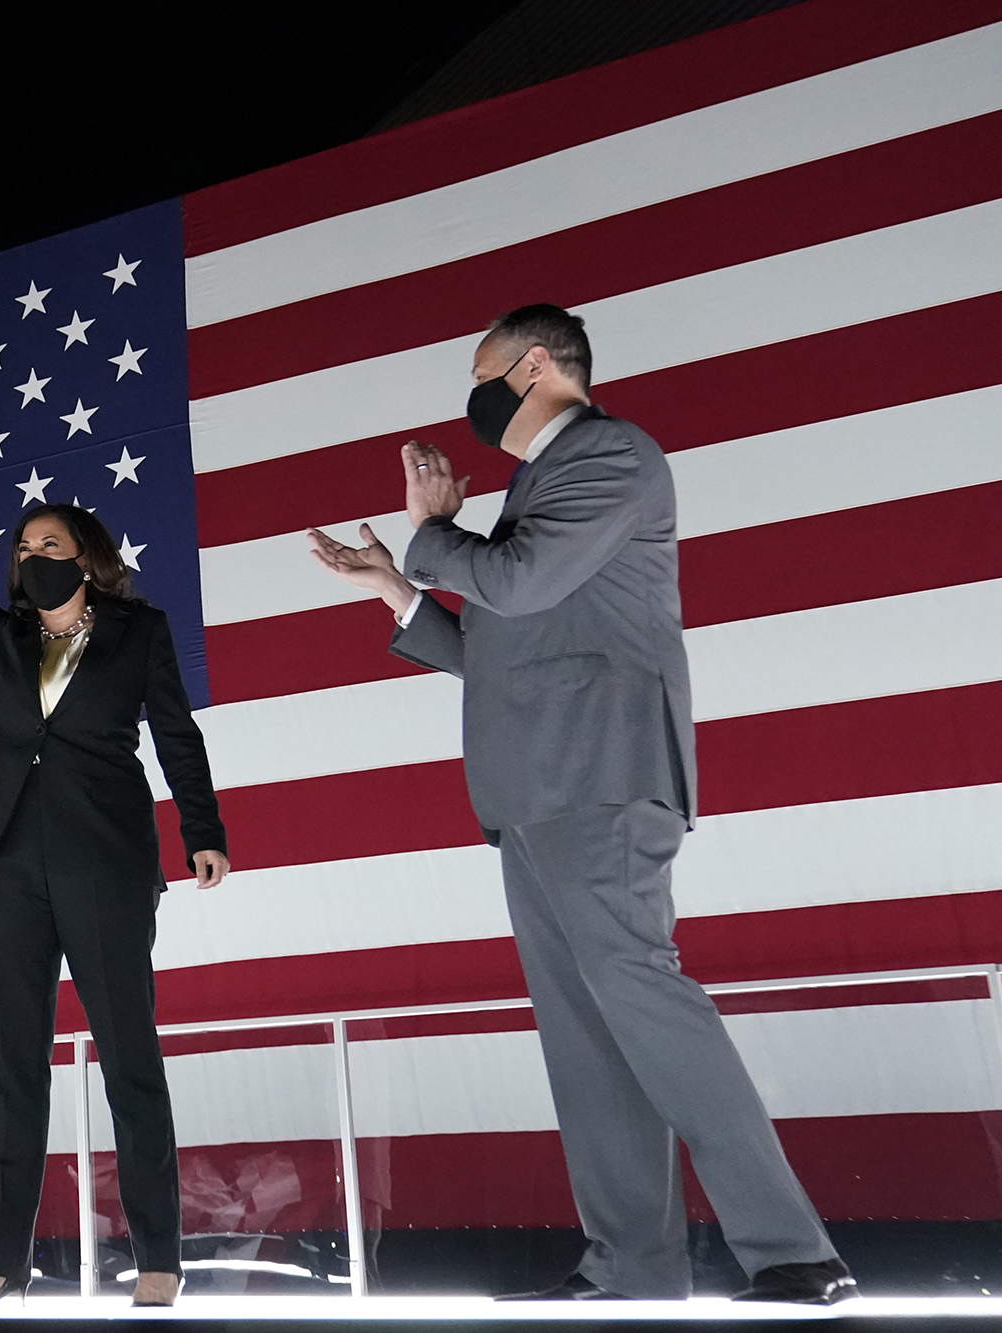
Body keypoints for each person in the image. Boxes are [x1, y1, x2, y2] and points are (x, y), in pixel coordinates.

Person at [308, 304, 853, 1305]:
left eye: (480, 375)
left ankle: (790, 1252)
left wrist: (431, 533)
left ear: (534, 366)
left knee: (645, 1002)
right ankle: (630, 1266)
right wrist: (397, 587)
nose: (472, 401)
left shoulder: (610, 454)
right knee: (586, 1042)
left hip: (598, 779)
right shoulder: (534, 487)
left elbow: (514, 585)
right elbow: (498, 649)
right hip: (533, 791)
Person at [0, 391, 229, 1308]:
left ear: (88, 561)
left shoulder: (139, 632)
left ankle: (158, 1257)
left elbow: (177, 736)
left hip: (106, 861)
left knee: (130, 1057)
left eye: (50, 547)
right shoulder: (2, 634)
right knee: (12, 1062)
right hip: (8, 863)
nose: (31, 558)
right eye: (23, 549)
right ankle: (2, 1256)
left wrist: (203, 832)